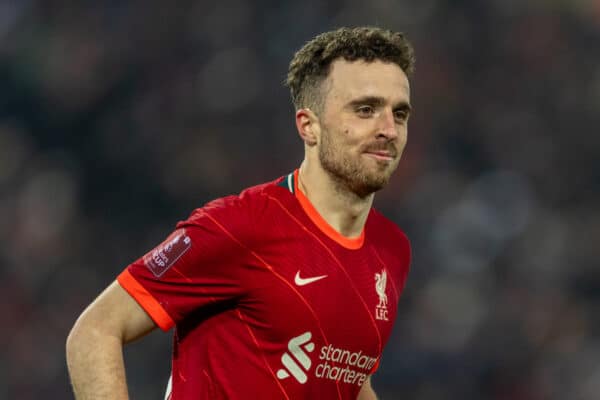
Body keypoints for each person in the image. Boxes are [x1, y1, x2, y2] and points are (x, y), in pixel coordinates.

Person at [66, 26, 415, 400]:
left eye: (399, 113)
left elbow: (347, 381)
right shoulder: (240, 225)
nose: (389, 129)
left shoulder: (391, 251)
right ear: (309, 126)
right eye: (366, 110)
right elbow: (95, 331)